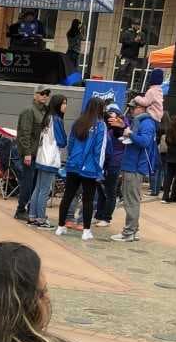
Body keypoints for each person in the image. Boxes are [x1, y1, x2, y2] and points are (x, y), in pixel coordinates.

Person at [56, 98, 106, 240]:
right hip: (89, 168)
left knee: (68, 196)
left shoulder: (78, 122)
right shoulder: (100, 126)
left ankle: (60, 226)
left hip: (73, 164)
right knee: (88, 199)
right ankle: (86, 231)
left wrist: (72, 159)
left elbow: (71, 143)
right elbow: (99, 150)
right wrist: (99, 169)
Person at [110, 101, 158, 243]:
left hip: (135, 167)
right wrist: (126, 129)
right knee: (132, 199)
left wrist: (130, 134)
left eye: (134, 107)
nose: (131, 110)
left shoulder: (146, 123)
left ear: (143, 108)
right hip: (132, 165)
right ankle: (133, 230)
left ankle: (129, 232)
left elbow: (144, 142)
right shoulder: (140, 121)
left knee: (131, 200)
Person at [26, 92, 67, 228]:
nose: (65, 106)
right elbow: (62, 141)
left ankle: (32, 216)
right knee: (44, 189)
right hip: (50, 159)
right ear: (57, 104)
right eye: (64, 103)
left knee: (38, 188)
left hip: (41, 157)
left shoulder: (47, 117)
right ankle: (41, 218)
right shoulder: (57, 120)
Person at [13, 87, 50, 221]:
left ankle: (31, 209)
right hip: (30, 153)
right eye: (42, 93)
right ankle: (20, 209)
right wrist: (27, 153)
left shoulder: (45, 111)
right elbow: (24, 133)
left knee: (35, 183)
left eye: (47, 94)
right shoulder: (29, 111)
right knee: (28, 183)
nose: (44, 96)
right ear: (35, 95)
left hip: (40, 153)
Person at [95, 103, 126, 225]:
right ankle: (99, 215)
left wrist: (121, 126)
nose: (110, 116)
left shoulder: (121, 128)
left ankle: (106, 217)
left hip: (114, 163)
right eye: (108, 113)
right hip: (103, 162)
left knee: (110, 191)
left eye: (112, 113)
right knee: (101, 190)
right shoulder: (104, 127)